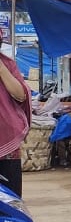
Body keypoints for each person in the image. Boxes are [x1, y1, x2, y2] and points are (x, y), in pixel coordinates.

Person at [0, 47, 31, 196]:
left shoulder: (7, 64)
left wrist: (1, 68)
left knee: (10, 199)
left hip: (6, 141)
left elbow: (20, 95)